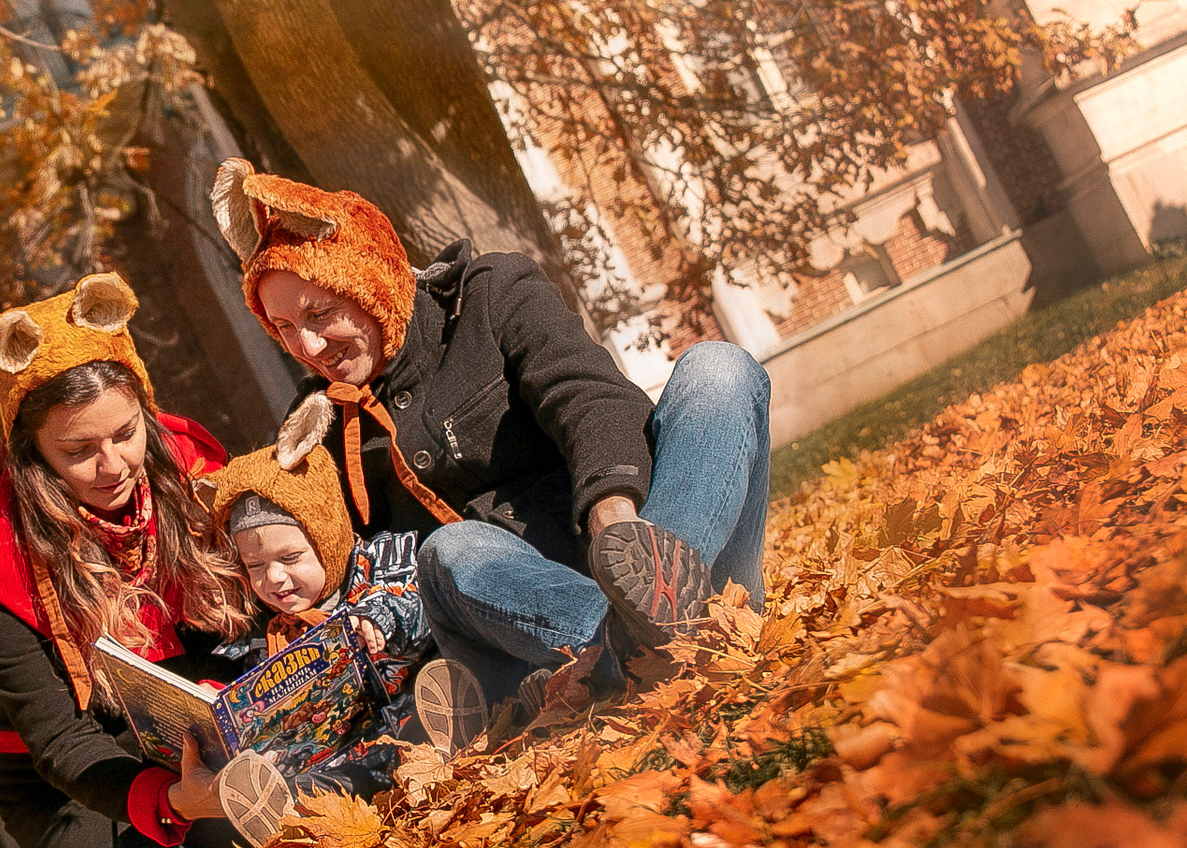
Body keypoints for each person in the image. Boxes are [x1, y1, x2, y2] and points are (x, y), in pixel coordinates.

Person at [210, 158, 771, 718]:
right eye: (283, 328)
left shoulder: (491, 295)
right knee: (451, 550)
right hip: (538, 630)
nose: (306, 346)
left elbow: (588, 397)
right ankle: (638, 641)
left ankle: (667, 614)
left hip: (656, 540)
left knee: (719, 369)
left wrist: (613, 517)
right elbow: (310, 555)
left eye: (321, 312)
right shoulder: (320, 425)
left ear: (370, 285)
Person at [0, 274, 256, 848]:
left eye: (125, 432)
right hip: (68, 772)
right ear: (32, 456)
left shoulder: (194, 473)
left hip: (194, 732)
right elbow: (56, 741)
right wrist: (170, 800)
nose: (113, 464)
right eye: (78, 451)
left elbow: (241, 627)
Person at [202, 391, 438, 844]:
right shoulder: (267, 631)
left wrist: (379, 616)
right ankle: (287, 813)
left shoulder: (378, 565)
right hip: (343, 761)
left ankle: (450, 723)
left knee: (422, 708)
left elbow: (419, 598)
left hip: (406, 717)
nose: (274, 578)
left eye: (290, 557)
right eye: (255, 567)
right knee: (319, 787)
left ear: (326, 538)